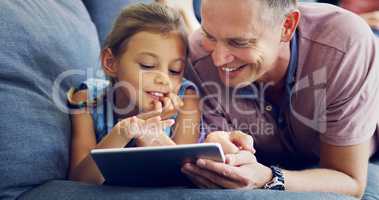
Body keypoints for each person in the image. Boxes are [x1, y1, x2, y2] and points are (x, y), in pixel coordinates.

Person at [181, 0, 379, 199]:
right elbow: (222, 155)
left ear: (287, 27)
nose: (218, 59)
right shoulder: (197, 59)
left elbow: (349, 179)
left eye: (239, 42)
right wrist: (220, 147)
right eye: (209, 35)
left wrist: (269, 178)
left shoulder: (344, 45)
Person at [67, 3, 202, 185]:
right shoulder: (86, 98)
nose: (163, 79)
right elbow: (80, 181)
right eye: (147, 65)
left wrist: (153, 134)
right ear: (111, 62)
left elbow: (183, 181)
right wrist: (123, 132)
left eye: (175, 70)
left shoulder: (187, 99)